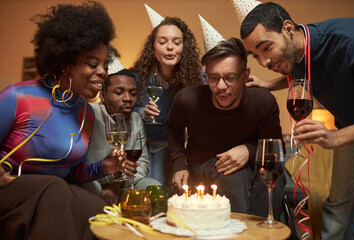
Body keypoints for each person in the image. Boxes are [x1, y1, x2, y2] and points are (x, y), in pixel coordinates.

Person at [0, 2, 126, 239]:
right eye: (92, 64)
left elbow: (71, 172)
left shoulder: (86, 113)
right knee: (56, 189)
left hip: (51, 192)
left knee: (105, 214)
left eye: (105, 65)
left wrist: (104, 167)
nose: (103, 72)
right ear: (66, 64)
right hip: (8, 187)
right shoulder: (18, 96)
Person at [240, 2, 354, 239]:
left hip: (344, 134)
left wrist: (334, 137)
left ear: (287, 29)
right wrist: (268, 85)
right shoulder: (294, 51)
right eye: (256, 56)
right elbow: (297, 70)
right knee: (338, 206)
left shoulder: (349, 43)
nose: (263, 62)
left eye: (266, 48)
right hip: (351, 130)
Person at [167, 38, 285, 218]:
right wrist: (178, 164)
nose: (221, 86)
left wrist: (248, 150)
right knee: (233, 174)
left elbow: (276, 148)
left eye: (230, 77)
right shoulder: (187, 99)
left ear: (245, 76)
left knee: (269, 177)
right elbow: (173, 128)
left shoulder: (262, 101)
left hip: (253, 168)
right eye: (213, 78)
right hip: (204, 166)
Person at [131, 17, 203, 185]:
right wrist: (142, 112)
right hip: (145, 149)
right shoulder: (137, 78)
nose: (170, 47)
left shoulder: (198, 78)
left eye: (176, 42)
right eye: (163, 42)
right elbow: (121, 111)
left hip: (182, 149)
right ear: (153, 47)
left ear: (184, 47)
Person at [84, 67, 161, 205]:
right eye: (119, 92)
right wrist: (109, 181)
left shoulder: (136, 119)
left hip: (126, 184)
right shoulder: (89, 114)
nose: (127, 98)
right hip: (95, 182)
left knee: (153, 186)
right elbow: (83, 163)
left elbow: (142, 163)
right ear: (103, 96)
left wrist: (118, 183)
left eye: (133, 93)